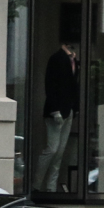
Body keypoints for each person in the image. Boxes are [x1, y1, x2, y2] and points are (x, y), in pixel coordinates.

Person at [36, 42, 80, 193]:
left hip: (68, 111)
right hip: (57, 111)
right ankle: (37, 185)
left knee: (59, 151)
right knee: (52, 149)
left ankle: (50, 187)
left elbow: (74, 86)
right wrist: (55, 110)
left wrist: (75, 108)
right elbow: (51, 85)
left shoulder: (73, 60)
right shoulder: (56, 59)